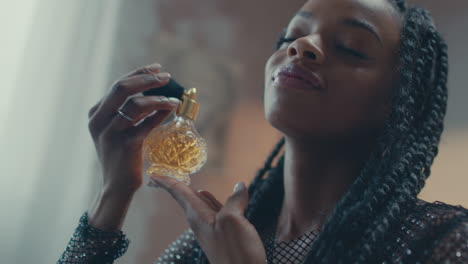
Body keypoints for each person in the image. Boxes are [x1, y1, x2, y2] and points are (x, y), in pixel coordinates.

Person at [57, 0, 468, 263]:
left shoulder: (440, 244)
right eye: (291, 36)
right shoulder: (202, 248)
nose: (301, 47)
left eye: (349, 46)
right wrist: (112, 193)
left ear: (399, 102)